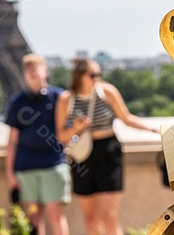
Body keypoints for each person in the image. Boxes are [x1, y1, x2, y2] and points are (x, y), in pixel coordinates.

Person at [56, 58, 160, 235]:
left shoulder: (107, 92)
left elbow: (127, 118)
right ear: (79, 76)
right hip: (82, 156)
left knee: (109, 216)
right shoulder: (66, 99)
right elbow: (61, 136)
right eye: (92, 75)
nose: (97, 78)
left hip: (108, 152)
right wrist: (77, 128)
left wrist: (154, 129)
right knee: (90, 218)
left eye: (99, 74)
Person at [4, 54, 71, 235]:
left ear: (45, 71)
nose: (33, 73)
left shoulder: (60, 97)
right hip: (26, 166)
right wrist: (10, 173)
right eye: (29, 70)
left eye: (36, 68)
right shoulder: (18, 102)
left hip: (53, 163)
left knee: (55, 214)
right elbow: (12, 141)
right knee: (33, 220)